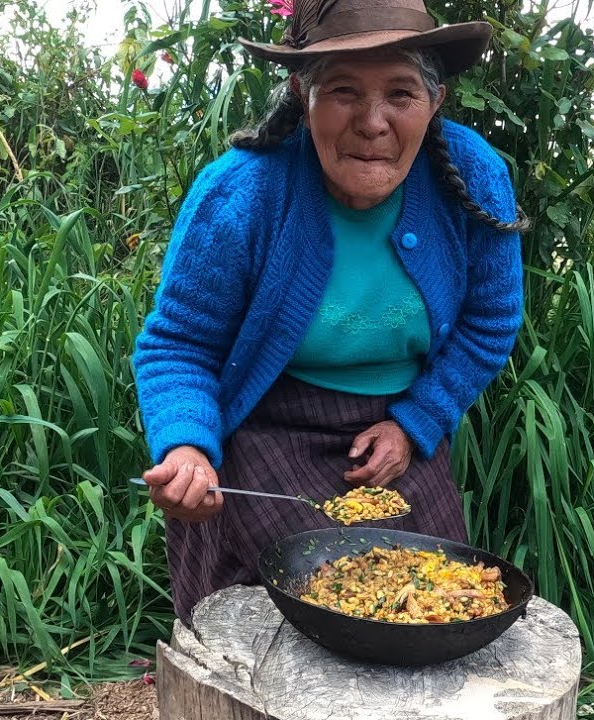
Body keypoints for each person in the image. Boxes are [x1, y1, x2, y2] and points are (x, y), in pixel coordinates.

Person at [131, 0, 527, 624]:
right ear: (301, 92)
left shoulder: (473, 177)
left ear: (436, 101)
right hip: (265, 428)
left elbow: (491, 322)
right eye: (343, 90)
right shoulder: (243, 194)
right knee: (271, 618)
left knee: (434, 602)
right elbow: (179, 344)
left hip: (395, 432)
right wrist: (187, 448)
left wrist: (417, 423)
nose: (372, 122)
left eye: (401, 93)